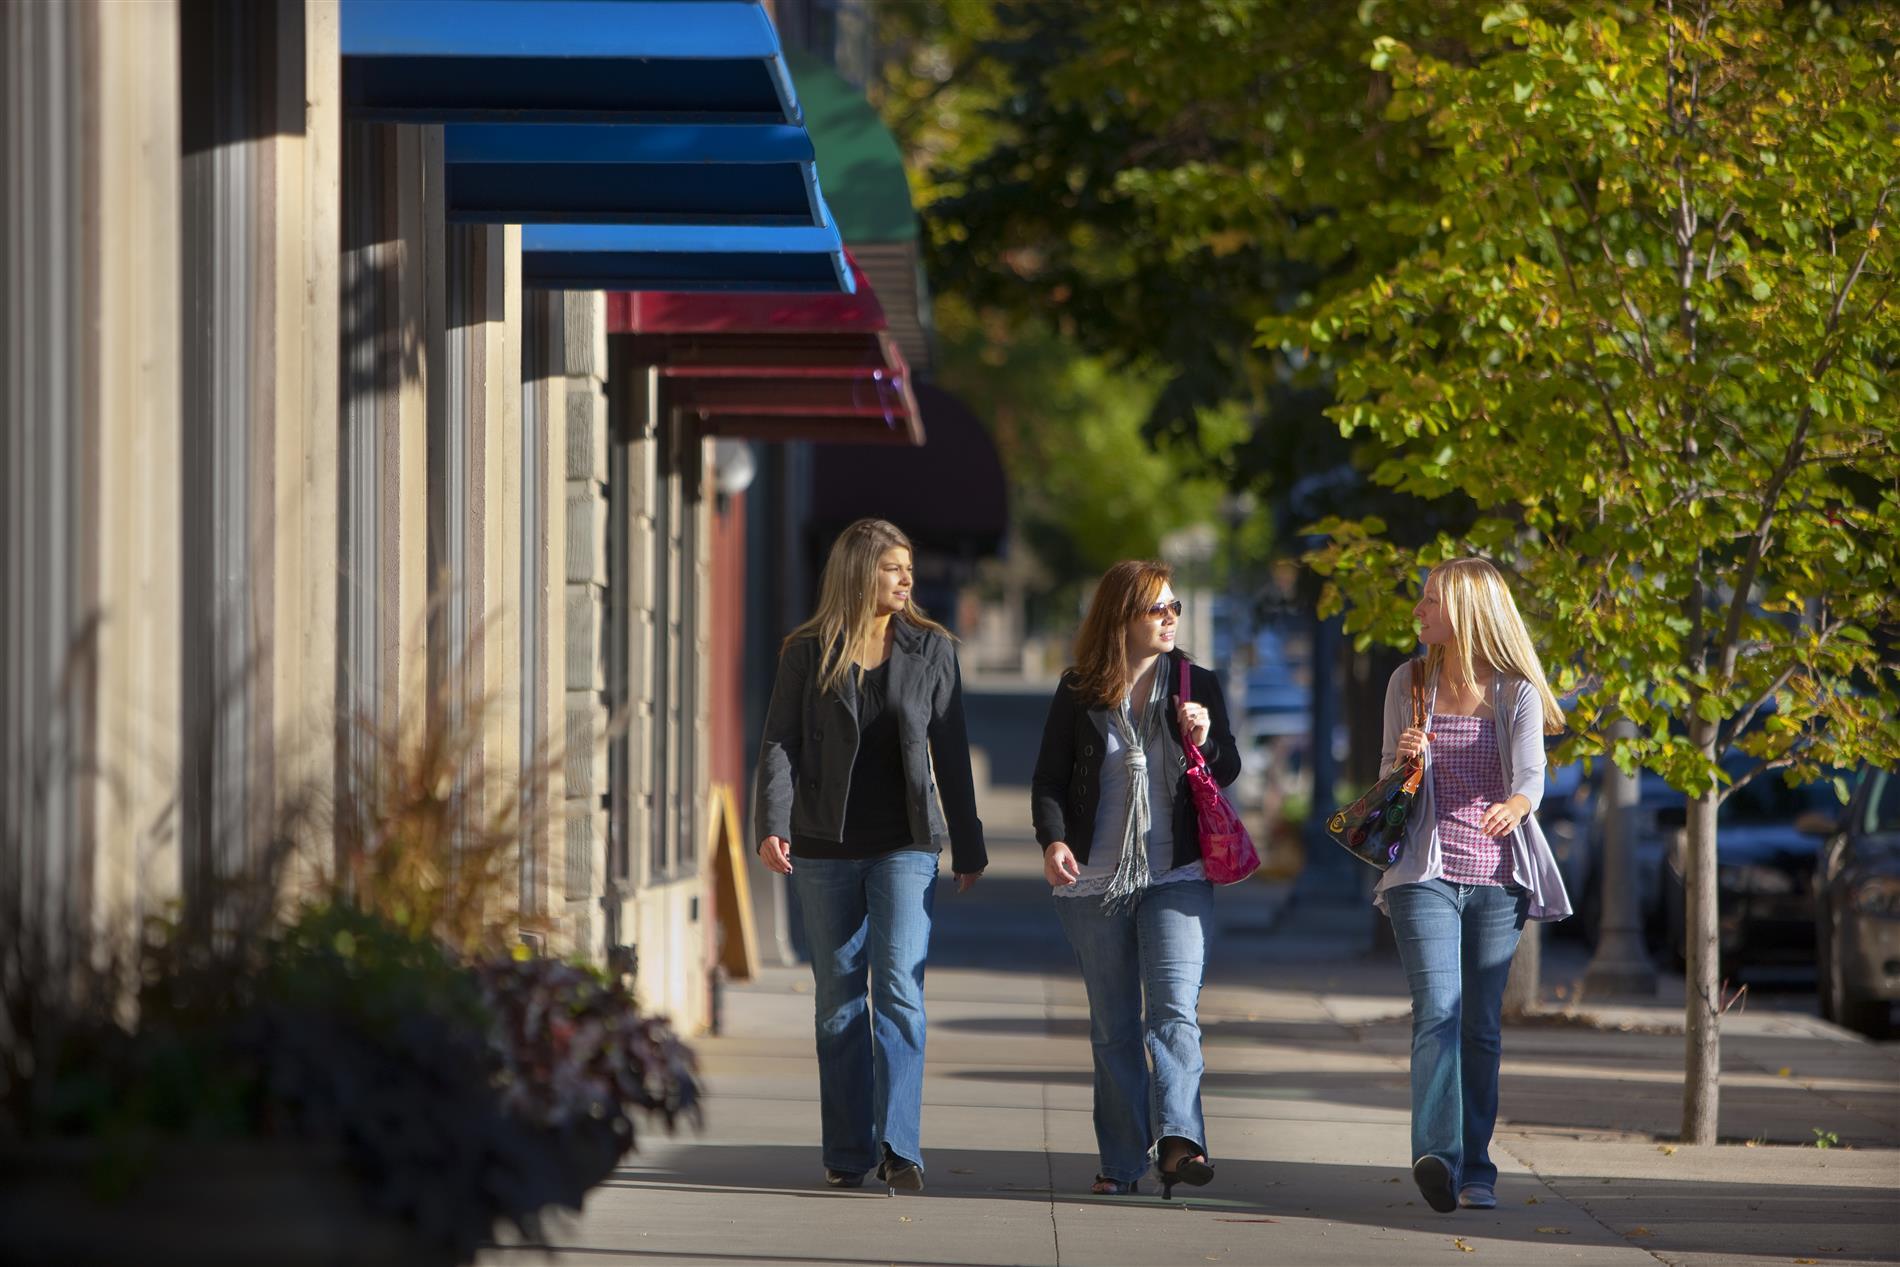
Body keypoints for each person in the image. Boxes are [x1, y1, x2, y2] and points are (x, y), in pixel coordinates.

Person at [753, 518, 986, 1194]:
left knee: (899, 990)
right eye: (893, 568)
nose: (906, 579)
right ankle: (848, 1149)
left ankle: (901, 1147)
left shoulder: (933, 649)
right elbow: (780, 743)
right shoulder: (807, 651)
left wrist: (967, 843)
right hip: (825, 846)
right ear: (859, 572)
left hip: (906, 844)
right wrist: (774, 822)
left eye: (908, 567)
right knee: (837, 1001)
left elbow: (952, 747)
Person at [1030, 560, 1240, 1199]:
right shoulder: (1080, 689)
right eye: (1158, 609)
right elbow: (1049, 779)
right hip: (1096, 878)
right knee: (1115, 1025)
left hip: (1176, 873)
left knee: (1174, 1011)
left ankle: (1179, 1143)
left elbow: (1227, 769)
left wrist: (1203, 740)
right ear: (1122, 618)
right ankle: (1122, 1162)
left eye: (1175, 607)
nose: (1171, 617)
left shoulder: (1196, 683)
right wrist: (1054, 838)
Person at [1378, 557, 1571, 1214]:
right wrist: (1405, 760)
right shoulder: (1409, 681)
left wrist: (1516, 806)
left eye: (1429, 600)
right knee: (1439, 1009)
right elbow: (1386, 780)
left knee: (1480, 1025)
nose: (1419, 611)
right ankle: (1438, 1153)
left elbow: (1532, 775)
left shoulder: (1514, 690)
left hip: (1496, 877)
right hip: (1423, 872)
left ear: (1464, 611)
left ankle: (1477, 1166)